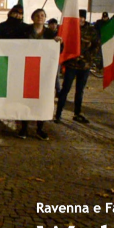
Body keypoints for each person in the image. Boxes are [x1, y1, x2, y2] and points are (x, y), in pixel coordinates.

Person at [18, 9, 62, 140]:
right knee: (26, 99)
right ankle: (24, 128)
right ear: (32, 18)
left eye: (42, 15)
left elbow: (59, 50)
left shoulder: (50, 34)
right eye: (37, 15)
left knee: (42, 99)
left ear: (45, 18)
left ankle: (40, 128)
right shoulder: (24, 31)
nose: (40, 17)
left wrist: (60, 42)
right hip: (28, 69)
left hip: (44, 71)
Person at [55, 9, 100, 124]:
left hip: (84, 66)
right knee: (65, 89)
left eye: (82, 17)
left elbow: (96, 47)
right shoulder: (70, 29)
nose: (80, 19)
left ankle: (77, 113)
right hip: (71, 65)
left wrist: (85, 57)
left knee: (80, 91)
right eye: (78, 17)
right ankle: (58, 114)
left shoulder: (91, 30)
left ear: (84, 18)